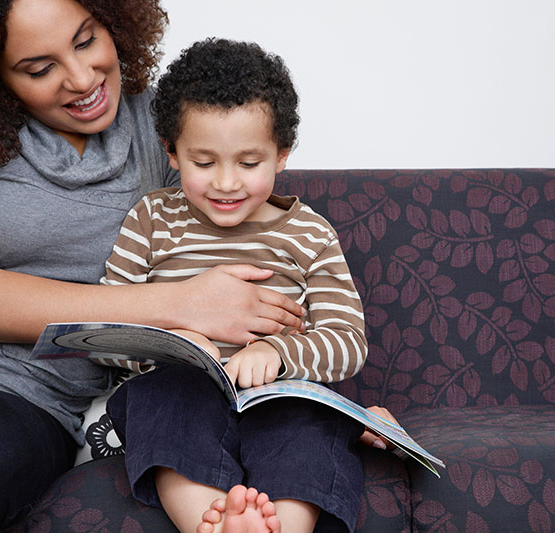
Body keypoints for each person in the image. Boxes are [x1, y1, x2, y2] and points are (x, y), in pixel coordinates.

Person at [0, 1, 307, 531]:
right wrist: (176, 303)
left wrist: (346, 410)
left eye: (85, 40)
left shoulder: (169, 131)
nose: (81, 79)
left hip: (20, 398)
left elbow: (256, 271)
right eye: (39, 68)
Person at [100, 38, 370, 533]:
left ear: (282, 154)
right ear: (172, 152)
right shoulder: (151, 220)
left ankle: (279, 527)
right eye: (204, 163)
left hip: (279, 395)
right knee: (164, 402)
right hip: (180, 388)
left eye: (249, 163)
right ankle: (213, 521)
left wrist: (279, 354)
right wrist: (174, 341)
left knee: (309, 425)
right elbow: (104, 331)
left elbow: (348, 342)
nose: (226, 183)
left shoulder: (309, 233)